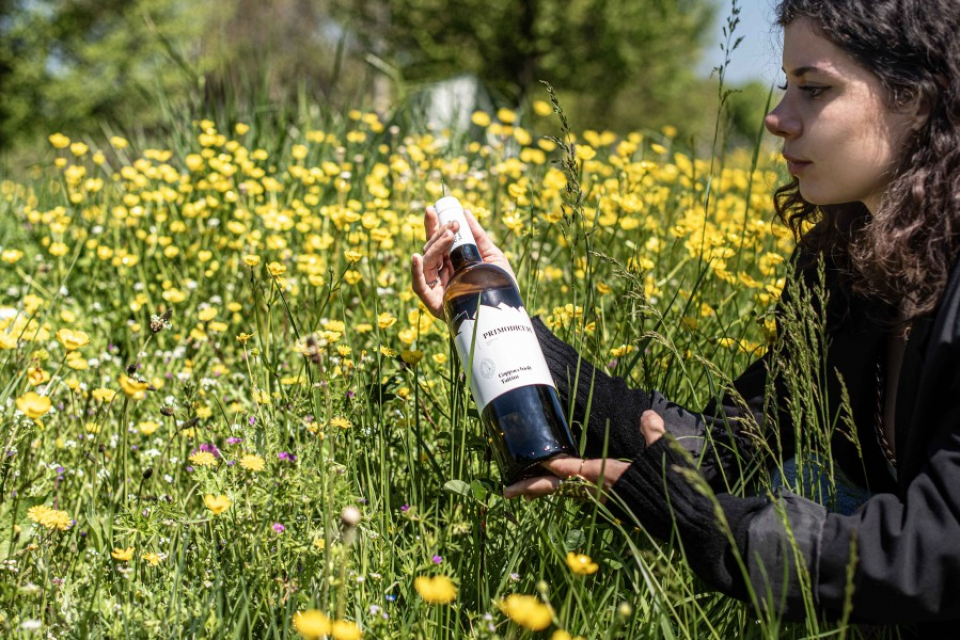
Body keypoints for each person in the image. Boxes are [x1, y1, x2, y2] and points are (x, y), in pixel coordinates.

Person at [411, 0, 960, 633]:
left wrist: (688, 515)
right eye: (786, 87)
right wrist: (503, 324)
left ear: (916, 98)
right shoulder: (852, 264)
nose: (777, 118)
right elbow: (730, 441)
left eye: (813, 90)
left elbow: (931, 553)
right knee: (799, 477)